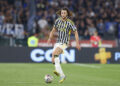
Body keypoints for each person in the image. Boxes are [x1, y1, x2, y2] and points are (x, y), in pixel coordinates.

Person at [47, 7, 80, 83]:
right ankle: (61, 74)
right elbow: (53, 30)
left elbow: (75, 32)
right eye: (62, 13)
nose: (63, 14)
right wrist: (49, 38)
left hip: (65, 42)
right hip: (58, 42)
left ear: (67, 14)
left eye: (64, 13)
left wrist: (77, 43)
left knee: (55, 54)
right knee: (53, 59)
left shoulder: (70, 22)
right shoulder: (57, 21)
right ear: (60, 13)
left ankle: (58, 71)